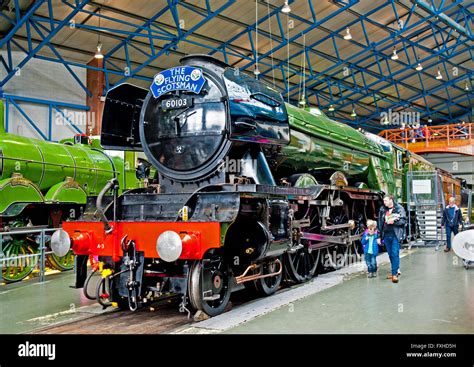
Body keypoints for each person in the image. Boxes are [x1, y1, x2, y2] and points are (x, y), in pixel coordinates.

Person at [377, 195, 407, 283]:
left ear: (391, 200)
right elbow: (380, 223)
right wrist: (379, 236)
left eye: (386, 200)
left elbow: (403, 221)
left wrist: (394, 221)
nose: (384, 202)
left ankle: (394, 274)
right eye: (384, 201)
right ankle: (396, 269)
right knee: (390, 254)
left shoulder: (399, 208)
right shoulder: (382, 209)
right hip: (386, 235)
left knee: (394, 253)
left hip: (395, 234)